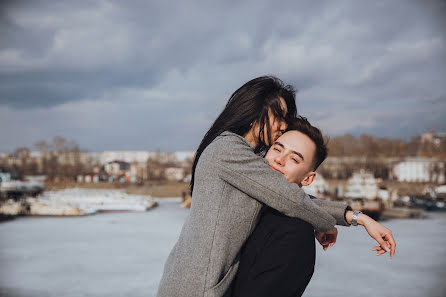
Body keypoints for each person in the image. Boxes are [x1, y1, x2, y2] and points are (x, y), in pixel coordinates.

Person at [156, 76, 391, 297]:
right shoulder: (228, 150)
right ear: (254, 109)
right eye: (278, 116)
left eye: (285, 118)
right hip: (195, 287)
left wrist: (356, 217)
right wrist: (324, 223)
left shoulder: (247, 159)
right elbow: (289, 198)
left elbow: (287, 195)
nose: (282, 125)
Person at [231, 117, 396, 297]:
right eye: (277, 148)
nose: (279, 159)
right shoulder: (246, 199)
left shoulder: (293, 232)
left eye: (294, 159)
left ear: (308, 179)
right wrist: (358, 218)